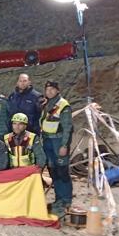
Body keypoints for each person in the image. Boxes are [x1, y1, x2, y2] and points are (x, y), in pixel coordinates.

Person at [40, 81, 73, 216]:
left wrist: (64, 145)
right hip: (47, 140)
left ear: (57, 90)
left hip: (58, 141)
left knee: (62, 171)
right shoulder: (47, 104)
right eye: (47, 89)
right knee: (53, 170)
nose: (49, 92)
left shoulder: (63, 105)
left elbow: (67, 128)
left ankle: (66, 200)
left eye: (52, 89)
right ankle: (59, 199)